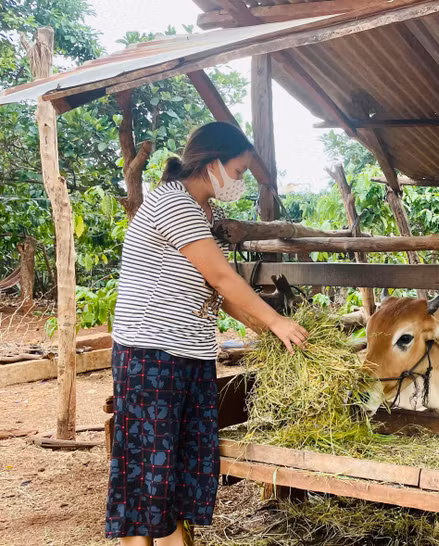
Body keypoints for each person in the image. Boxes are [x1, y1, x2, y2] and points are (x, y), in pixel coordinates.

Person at [105, 121, 307, 545]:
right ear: (211, 163)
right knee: (149, 470)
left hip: (190, 352)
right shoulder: (172, 204)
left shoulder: (205, 212)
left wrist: (269, 332)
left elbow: (221, 293)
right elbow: (221, 277)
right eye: (237, 171)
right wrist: (276, 321)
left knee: (180, 464)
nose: (239, 182)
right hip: (151, 353)